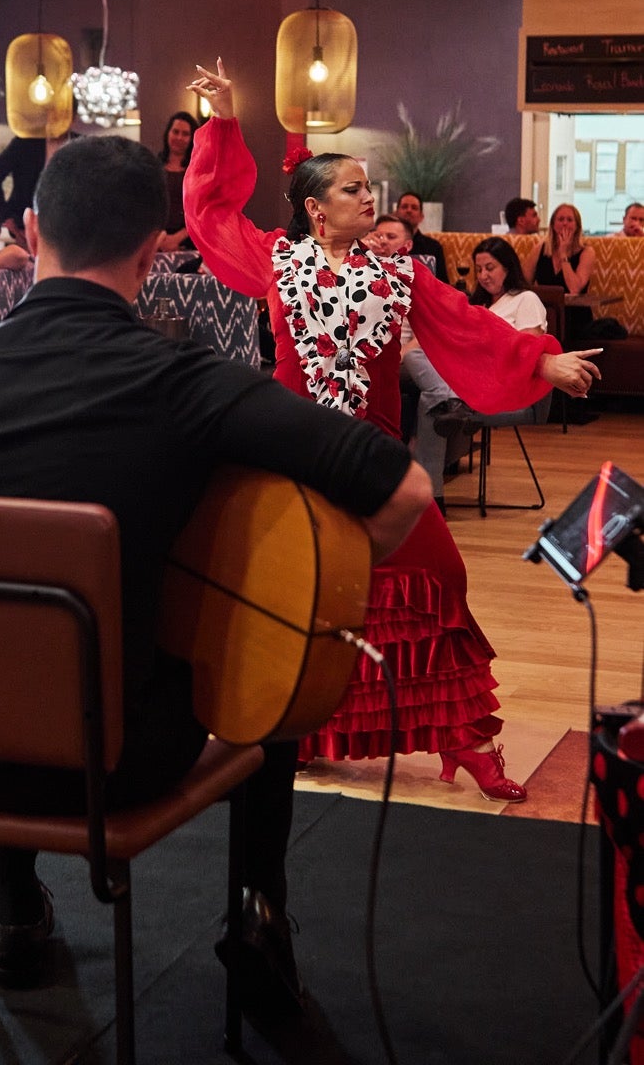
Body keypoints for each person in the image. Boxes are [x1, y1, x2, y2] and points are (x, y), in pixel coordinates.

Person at [0, 132, 431, 1011]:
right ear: (148, 253)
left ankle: (15, 910)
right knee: (272, 648)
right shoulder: (183, 382)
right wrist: (310, 599)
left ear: (31, 230)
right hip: (112, 762)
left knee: (0, 635)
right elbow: (404, 486)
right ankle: (258, 915)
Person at [184, 58, 601, 802]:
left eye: (365, 186)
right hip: (293, 460)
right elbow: (211, 211)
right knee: (306, 594)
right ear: (316, 209)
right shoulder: (276, 260)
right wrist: (220, 122)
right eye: (351, 188)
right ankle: (302, 731)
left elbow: (467, 327)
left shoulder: (397, 274)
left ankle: (464, 738)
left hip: (374, 459)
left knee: (439, 578)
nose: (367, 196)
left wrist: (543, 362)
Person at [408, 238, 549, 510]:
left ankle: (430, 499)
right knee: (426, 381)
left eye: (490, 268)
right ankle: (450, 402)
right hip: (467, 378)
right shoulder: (479, 305)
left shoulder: (525, 299)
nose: (483, 276)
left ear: (508, 267)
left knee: (431, 402)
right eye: (479, 269)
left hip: (502, 383)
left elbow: (529, 351)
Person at [523, 201, 596, 353]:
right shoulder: (540, 249)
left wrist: (563, 254)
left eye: (569, 220)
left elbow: (574, 289)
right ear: (553, 224)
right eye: (560, 219)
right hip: (546, 312)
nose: (565, 224)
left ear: (577, 226)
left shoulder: (586, 252)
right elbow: (523, 283)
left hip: (575, 317)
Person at [0, 135, 48, 248]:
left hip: (62, 225)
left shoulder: (26, 142)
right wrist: (7, 216)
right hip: (24, 223)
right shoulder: (27, 141)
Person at [157, 110, 198, 251]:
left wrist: (177, 238)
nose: (179, 137)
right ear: (168, 133)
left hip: (188, 242)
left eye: (185, 134)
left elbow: (201, 211)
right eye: (175, 132)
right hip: (155, 242)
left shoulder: (198, 170)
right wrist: (160, 240)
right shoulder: (154, 166)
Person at [393, 190, 450, 283]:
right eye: (404, 207)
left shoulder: (433, 247)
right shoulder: (385, 245)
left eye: (414, 208)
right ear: (396, 213)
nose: (409, 210)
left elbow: (443, 283)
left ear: (421, 216)